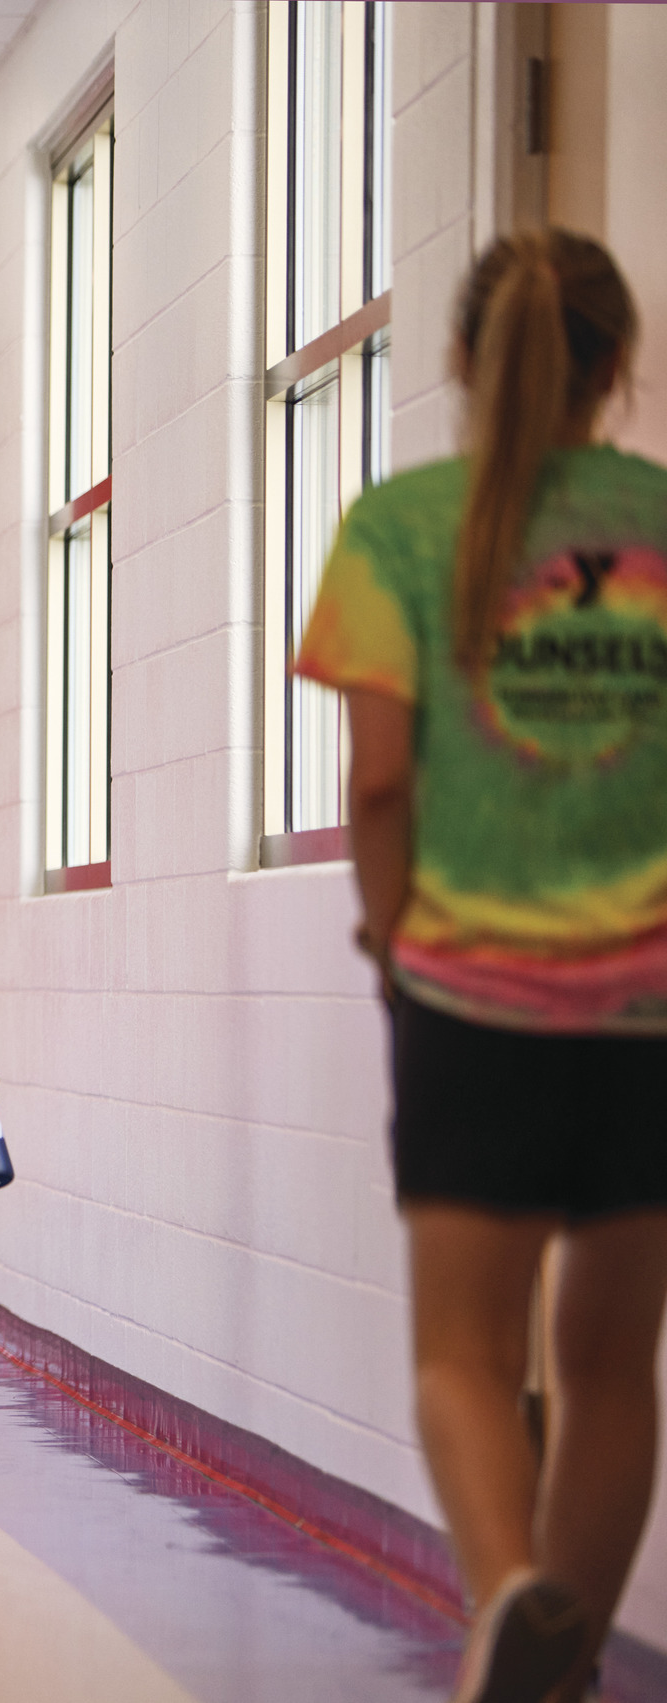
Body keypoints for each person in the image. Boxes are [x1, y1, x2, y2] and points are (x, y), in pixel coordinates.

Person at [294, 229, 667, 1703]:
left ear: (457, 358)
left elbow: (379, 783)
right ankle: (560, 1667)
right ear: (618, 367)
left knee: (464, 1350)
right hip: (649, 1009)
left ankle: (510, 1588)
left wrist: (395, 941)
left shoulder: (402, 527)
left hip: (468, 999)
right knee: (614, 1364)